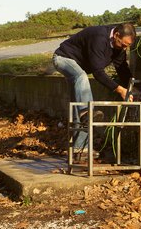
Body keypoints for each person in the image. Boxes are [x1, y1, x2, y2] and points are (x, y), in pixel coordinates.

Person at [52, 23, 136, 157]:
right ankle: (87, 112)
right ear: (116, 35)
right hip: (63, 58)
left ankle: (80, 149)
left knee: (78, 107)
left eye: (127, 46)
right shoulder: (99, 37)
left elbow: (122, 68)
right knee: (81, 77)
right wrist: (119, 89)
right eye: (123, 44)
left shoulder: (118, 47)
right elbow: (97, 72)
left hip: (78, 68)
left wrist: (131, 88)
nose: (124, 48)